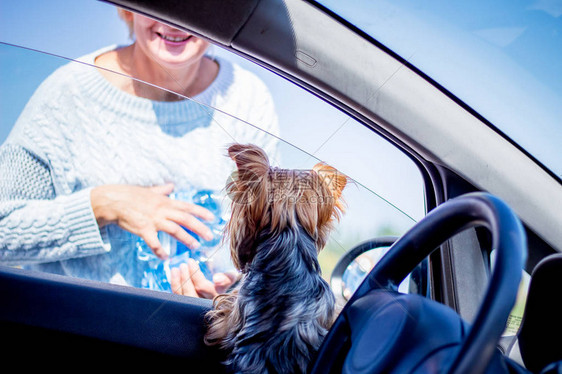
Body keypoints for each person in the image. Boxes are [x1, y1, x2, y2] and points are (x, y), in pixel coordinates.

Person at [0, 9, 279, 297]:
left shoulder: (248, 100)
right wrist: (105, 205)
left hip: (198, 335)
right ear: (127, 8)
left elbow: (271, 240)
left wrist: (231, 290)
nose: (176, 17)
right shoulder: (67, 94)